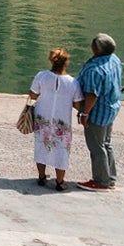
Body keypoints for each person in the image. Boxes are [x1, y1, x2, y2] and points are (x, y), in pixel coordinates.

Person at [27, 48, 82, 189]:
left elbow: (33, 95)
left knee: (41, 145)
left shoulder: (41, 76)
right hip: (62, 121)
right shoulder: (73, 83)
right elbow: (77, 104)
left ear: (51, 61)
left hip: (42, 117)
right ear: (66, 62)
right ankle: (59, 181)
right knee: (62, 149)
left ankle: (41, 176)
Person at [77, 33, 123, 191]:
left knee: (96, 147)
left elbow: (92, 94)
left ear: (96, 49)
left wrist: (85, 113)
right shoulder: (114, 60)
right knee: (106, 143)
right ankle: (110, 177)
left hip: (97, 112)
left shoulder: (95, 70)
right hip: (111, 108)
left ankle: (101, 182)